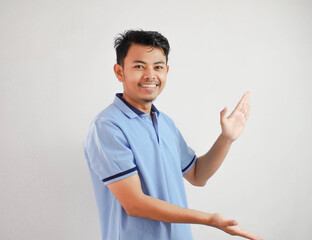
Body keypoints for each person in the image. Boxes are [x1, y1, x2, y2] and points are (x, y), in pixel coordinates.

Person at [83, 29, 263, 240]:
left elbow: (197, 175)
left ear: (166, 71)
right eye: (139, 66)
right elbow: (134, 203)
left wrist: (226, 139)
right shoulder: (107, 126)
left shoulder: (165, 124)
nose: (150, 75)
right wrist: (209, 219)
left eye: (158, 67)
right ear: (119, 72)